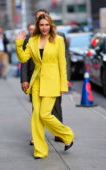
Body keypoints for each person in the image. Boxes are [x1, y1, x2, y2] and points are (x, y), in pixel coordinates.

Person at [16, 13, 74, 159]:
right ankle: (40, 151)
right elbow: (23, 57)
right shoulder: (33, 40)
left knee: (44, 114)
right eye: (41, 25)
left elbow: (62, 63)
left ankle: (67, 135)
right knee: (36, 116)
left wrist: (63, 84)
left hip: (52, 82)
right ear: (37, 26)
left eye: (47, 24)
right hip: (37, 82)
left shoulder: (58, 40)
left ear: (51, 25)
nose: (44, 28)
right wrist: (18, 43)